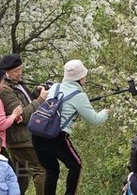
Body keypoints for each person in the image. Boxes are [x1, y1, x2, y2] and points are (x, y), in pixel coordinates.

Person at [32, 59, 110, 195]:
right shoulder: (79, 96)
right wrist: (106, 112)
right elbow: (95, 120)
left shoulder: (55, 87)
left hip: (38, 134)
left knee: (52, 170)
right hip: (56, 136)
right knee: (76, 165)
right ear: (80, 77)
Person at [0, 54, 46, 195]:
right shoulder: (5, 90)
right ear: (6, 72)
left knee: (21, 177)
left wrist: (36, 93)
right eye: (16, 70)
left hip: (23, 138)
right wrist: (41, 99)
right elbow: (23, 115)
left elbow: (27, 103)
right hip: (22, 140)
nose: (20, 73)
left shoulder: (16, 83)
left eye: (21, 69)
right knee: (41, 171)